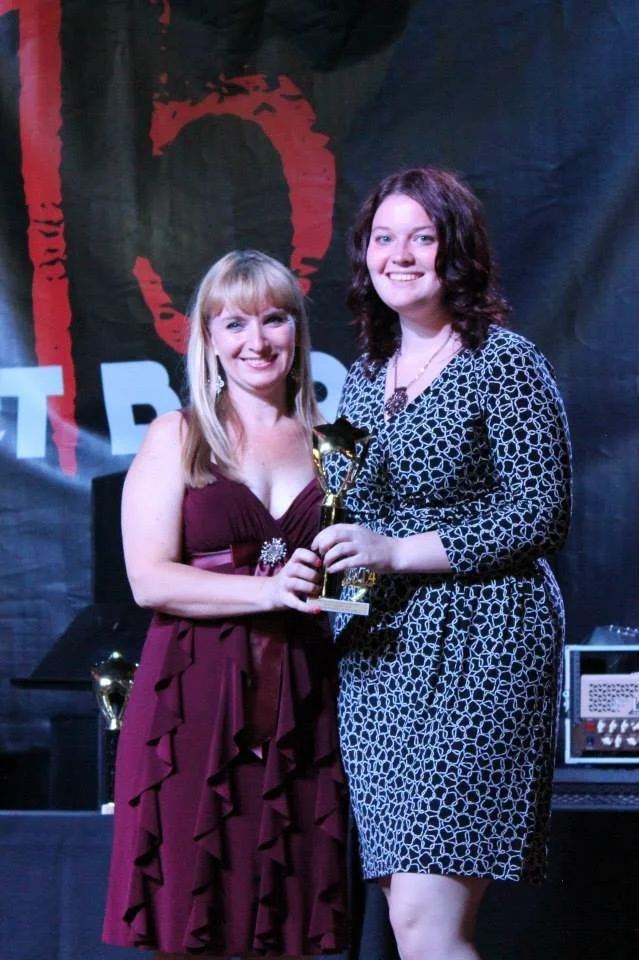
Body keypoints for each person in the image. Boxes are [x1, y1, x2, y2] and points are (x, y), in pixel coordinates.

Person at [312, 168, 572, 960]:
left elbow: (540, 511)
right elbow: (348, 517)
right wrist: (319, 580)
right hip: (379, 662)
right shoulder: (362, 380)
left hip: (484, 643)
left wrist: (396, 551)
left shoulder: (503, 361)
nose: (398, 255)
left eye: (420, 237)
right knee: (408, 921)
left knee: (427, 921)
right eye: (382, 238)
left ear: (454, 251)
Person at [102, 250, 348, 958]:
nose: (257, 341)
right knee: (192, 923)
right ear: (208, 338)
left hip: (305, 696)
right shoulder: (177, 436)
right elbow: (150, 580)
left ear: (297, 331)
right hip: (193, 698)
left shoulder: (333, 443)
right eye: (235, 323)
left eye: (274, 320)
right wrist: (266, 590)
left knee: (288, 922)